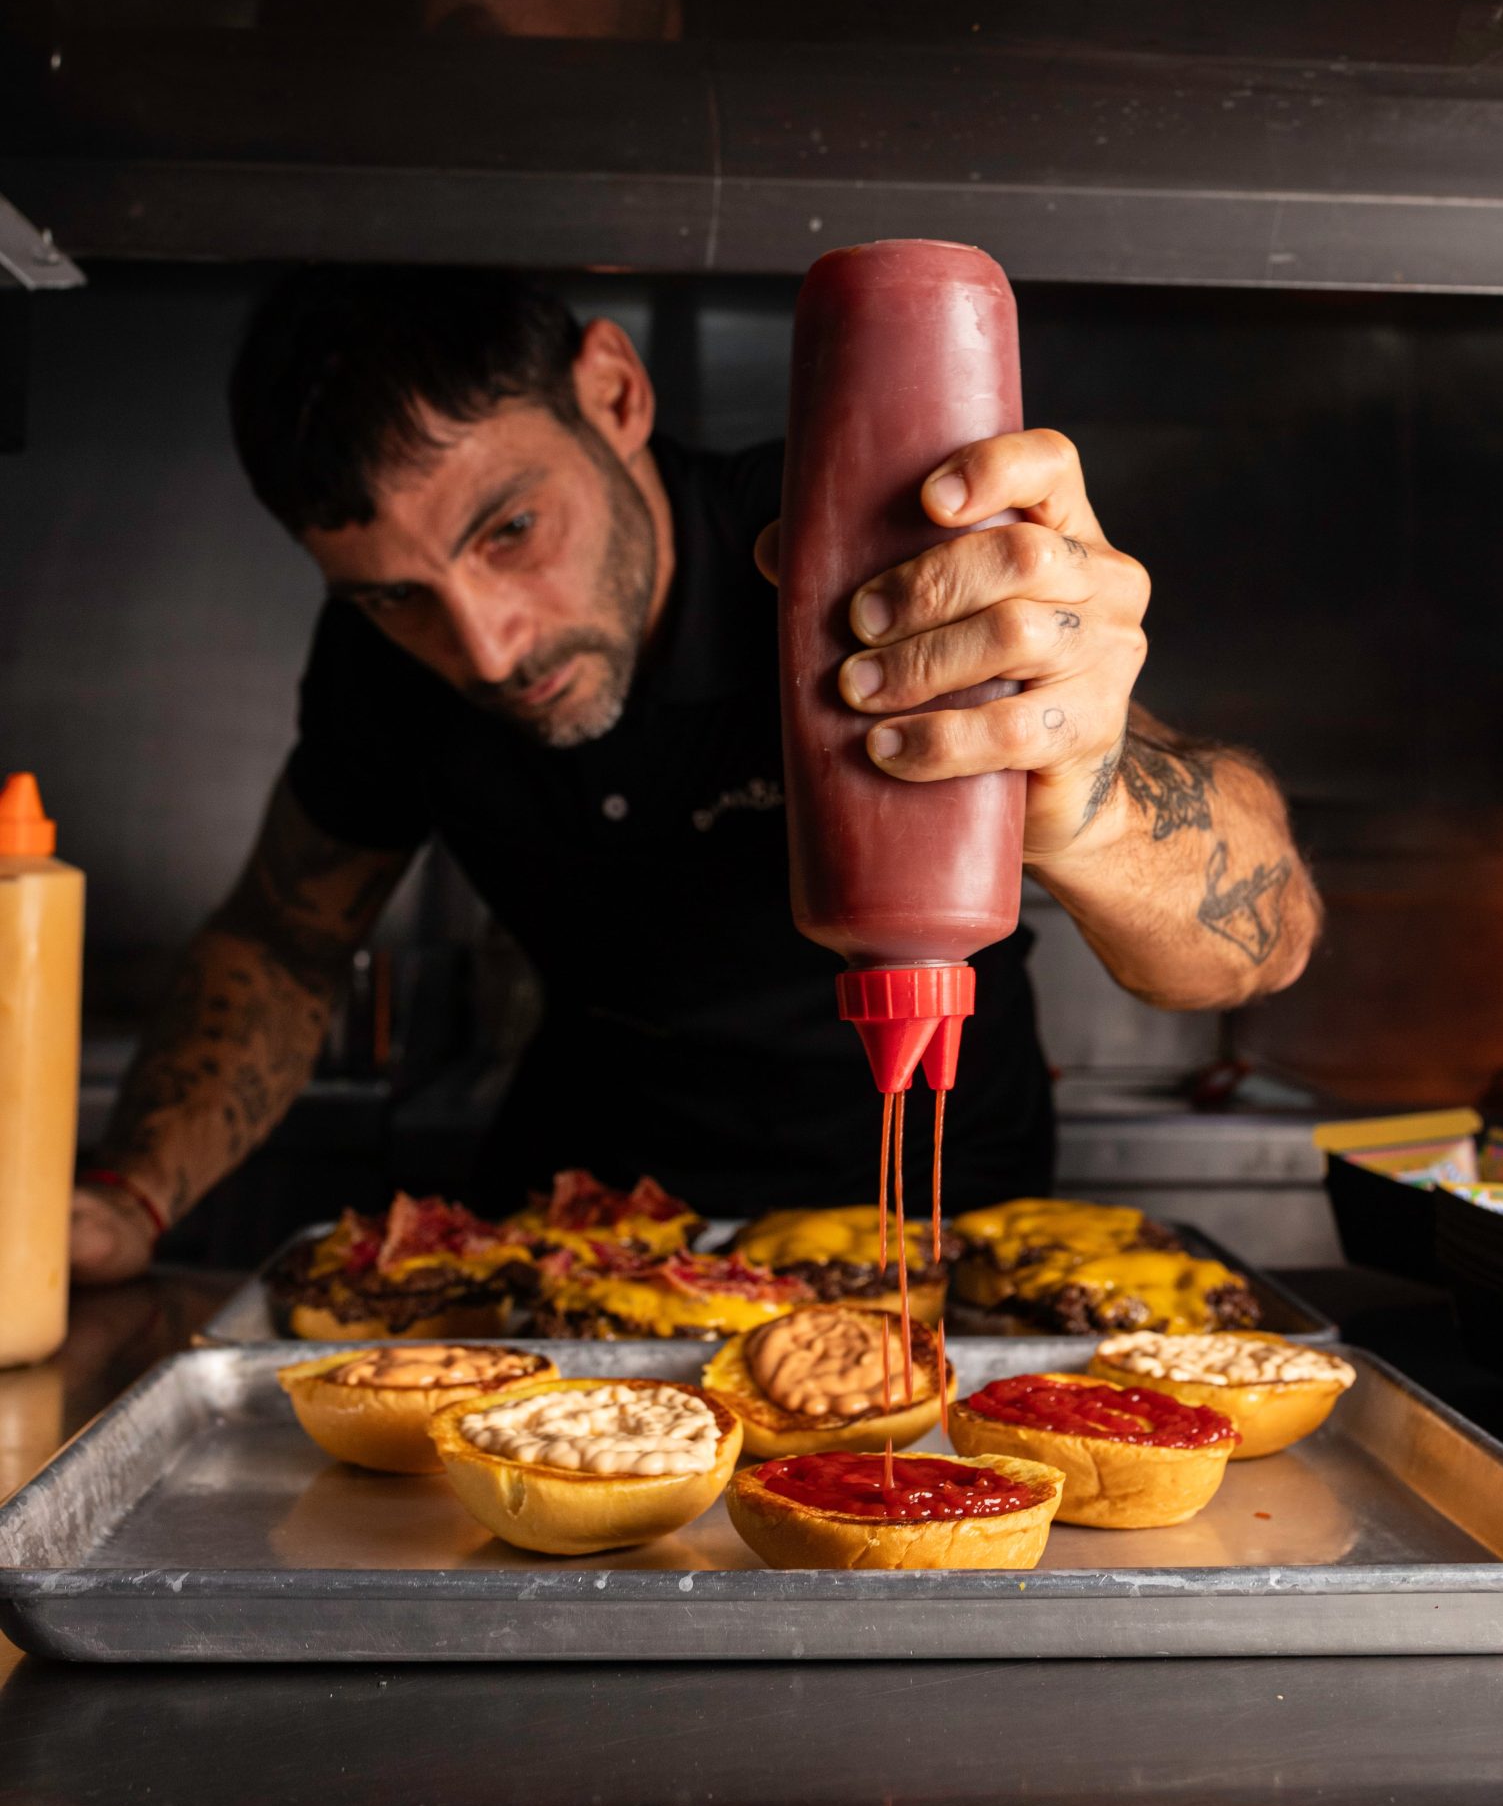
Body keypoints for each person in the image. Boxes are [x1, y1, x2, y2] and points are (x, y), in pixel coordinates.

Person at [70, 268, 1318, 1282]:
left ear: (613, 393)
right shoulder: (379, 660)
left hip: (940, 1223)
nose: (486, 646)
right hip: (585, 1239)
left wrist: (1092, 795)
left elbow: (1261, 942)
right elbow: (283, 942)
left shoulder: (848, 541)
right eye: (398, 595)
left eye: (509, 529)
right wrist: (125, 1200)